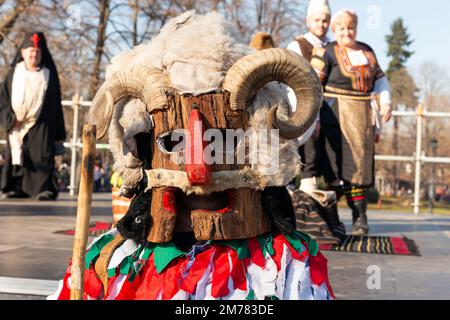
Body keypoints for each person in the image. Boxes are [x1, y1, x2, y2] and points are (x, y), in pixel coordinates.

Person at [310, 9, 392, 235]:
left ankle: (360, 217)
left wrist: (385, 101)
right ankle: (331, 220)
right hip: (333, 115)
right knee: (336, 168)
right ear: (334, 30)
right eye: (342, 28)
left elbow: (380, 80)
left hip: (363, 116)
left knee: (360, 168)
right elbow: (313, 86)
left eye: (351, 27)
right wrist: (314, 118)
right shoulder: (324, 52)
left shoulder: (367, 51)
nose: (347, 32)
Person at [285, 0, 346, 243]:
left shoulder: (333, 47)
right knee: (303, 164)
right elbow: (296, 82)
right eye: (317, 20)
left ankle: (330, 221)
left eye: (325, 20)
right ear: (308, 21)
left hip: (331, 117)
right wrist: (310, 117)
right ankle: (298, 220)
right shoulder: (297, 45)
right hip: (302, 111)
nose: (321, 24)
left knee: (329, 168)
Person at [0, 32, 66, 201]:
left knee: (41, 154)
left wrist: (56, 130)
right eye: (30, 51)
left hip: (41, 124)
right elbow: (4, 99)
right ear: (22, 52)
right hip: (16, 124)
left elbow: (55, 104)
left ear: (41, 54)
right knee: (17, 155)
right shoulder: (13, 73)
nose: (34, 55)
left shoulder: (48, 75)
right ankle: (17, 187)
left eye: (37, 52)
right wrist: (10, 118)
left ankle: (44, 188)